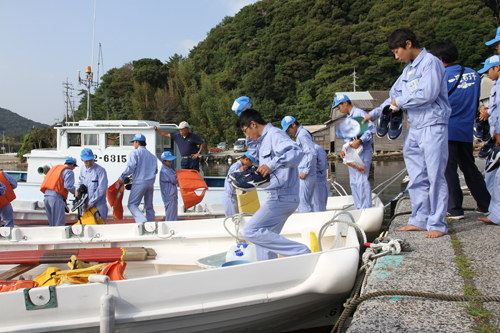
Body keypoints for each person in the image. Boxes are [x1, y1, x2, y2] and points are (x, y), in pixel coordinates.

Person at [362, 28, 451, 238]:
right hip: (415, 126)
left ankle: (437, 223)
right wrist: (373, 114)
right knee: (417, 174)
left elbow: (427, 94)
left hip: (432, 125)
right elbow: (393, 95)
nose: (396, 56)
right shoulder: (408, 71)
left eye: (396, 51)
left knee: (435, 174)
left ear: (408, 44)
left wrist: (398, 102)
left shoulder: (431, 63)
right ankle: (419, 219)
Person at [235, 109, 311, 261]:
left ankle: (302, 252)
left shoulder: (275, 135)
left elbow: (296, 152)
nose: (246, 136)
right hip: (277, 196)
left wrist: (272, 164)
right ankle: (269, 271)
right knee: (264, 242)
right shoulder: (262, 141)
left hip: (283, 196)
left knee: (251, 231)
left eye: (245, 131)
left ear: (253, 124)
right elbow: (253, 150)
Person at [429, 40, 491, 219]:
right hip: (466, 130)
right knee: (469, 168)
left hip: (446, 130)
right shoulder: (474, 75)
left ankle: (454, 208)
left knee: (448, 169)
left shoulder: (440, 77)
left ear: (439, 60)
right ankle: (485, 204)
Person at [335, 94, 375, 209]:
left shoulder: (360, 113)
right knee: (353, 181)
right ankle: (358, 207)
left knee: (361, 179)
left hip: (363, 150)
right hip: (352, 152)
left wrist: (361, 140)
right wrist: (343, 149)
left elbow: (371, 129)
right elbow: (347, 138)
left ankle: (366, 208)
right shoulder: (347, 119)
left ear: (345, 103)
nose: (339, 109)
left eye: (339, 107)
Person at [477, 56, 500, 225]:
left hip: (498, 136)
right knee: (492, 175)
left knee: (496, 177)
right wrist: (488, 110)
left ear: (497, 68)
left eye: (489, 70)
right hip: (494, 136)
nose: (487, 74)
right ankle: (494, 213)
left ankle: (497, 215)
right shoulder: (496, 85)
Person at [118, 133, 158, 223]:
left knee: (132, 204)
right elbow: (155, 170)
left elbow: (131, 166)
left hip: (139, 181)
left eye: (134, 142)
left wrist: (122, 177)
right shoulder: (152, 156)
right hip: (150, 183)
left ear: (137, 142)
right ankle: (152, 224)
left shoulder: (135, 153)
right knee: (149, 206)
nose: (133, 144)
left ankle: (142, 221)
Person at [281, 116, 317, 213]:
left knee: (303, 202)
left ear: (293, 124)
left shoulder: (302, 135)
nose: (289, 132)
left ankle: (308, 224)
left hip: (306, 174)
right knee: (306, 201)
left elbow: (311, 153)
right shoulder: (301, 134)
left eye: (288, 129)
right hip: (306, 173)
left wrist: (305, 171)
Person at [40, 157, 77, 226]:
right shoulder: (68, 171)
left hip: (46, 197)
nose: (73, 169)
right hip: (56, 197)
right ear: (72, 165)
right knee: (59, 224)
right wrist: (76, 192)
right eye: (74, 167)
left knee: (52, 223)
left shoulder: (55, 169)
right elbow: (68, 186)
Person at [223, 151, 258, 217]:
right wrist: (239, 171)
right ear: (246, 159)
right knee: (232, 219)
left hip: (236, 197)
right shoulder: (236, 166)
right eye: (251, 162)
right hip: (231, 198)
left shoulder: (243, 166)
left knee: (238, 218)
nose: (251, 164)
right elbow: (229, 178)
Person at [77, 149, 108, 222]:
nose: (89, 163)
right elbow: (81, 181)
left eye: (90, 160)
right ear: (82, 160)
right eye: (86, 161)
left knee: (99, 229)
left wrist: (90, 203)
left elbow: (102, 189)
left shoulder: (100, 170)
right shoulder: (83, 169)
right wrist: (77, 190)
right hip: (85, 205)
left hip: (98, 206)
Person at [159, 151, 178, 221]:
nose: (171, 162)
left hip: (171, 195)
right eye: (169, 161)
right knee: (171, 216)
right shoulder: (165, 171)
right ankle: (170, 229)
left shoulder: (168, 169)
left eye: (171, 160)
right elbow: (176, 179)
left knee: (172, 215)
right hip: (169, 196)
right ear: (163, 161)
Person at [312, 143, 329, 212]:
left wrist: (306, 170)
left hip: (318, 179)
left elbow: (321, 165)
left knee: (319, 205)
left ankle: (321, 221)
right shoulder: (303, 149)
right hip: (308, 181)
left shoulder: (318, 149)